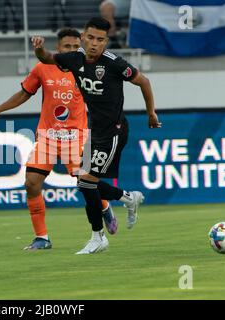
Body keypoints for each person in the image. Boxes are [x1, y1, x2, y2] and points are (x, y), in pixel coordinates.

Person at [32, 17, 161, 254]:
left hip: (114, 131)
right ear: (83, 37)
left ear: (106, 41)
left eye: (100, 40)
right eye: (90, 38)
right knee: (85, 184)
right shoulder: (74, 59)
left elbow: (144, 81)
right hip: (95, 132)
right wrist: (39, 49)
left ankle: (98, 237)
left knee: (86, 183)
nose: (94, 44)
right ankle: (128, 198)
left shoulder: (114, 63)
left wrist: (151, 113)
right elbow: (48, 58)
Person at [0, 28, 113, 250]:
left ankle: (104, 206)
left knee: (86, 183)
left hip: (76, 136)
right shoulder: (43, 68)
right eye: (66, 46)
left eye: (74, 46)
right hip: (48, 137)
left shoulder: (86, 69)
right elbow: (24, 93)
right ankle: (42, 238)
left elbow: (103, 99)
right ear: (58, 48)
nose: (70, 50)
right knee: (31, 183)